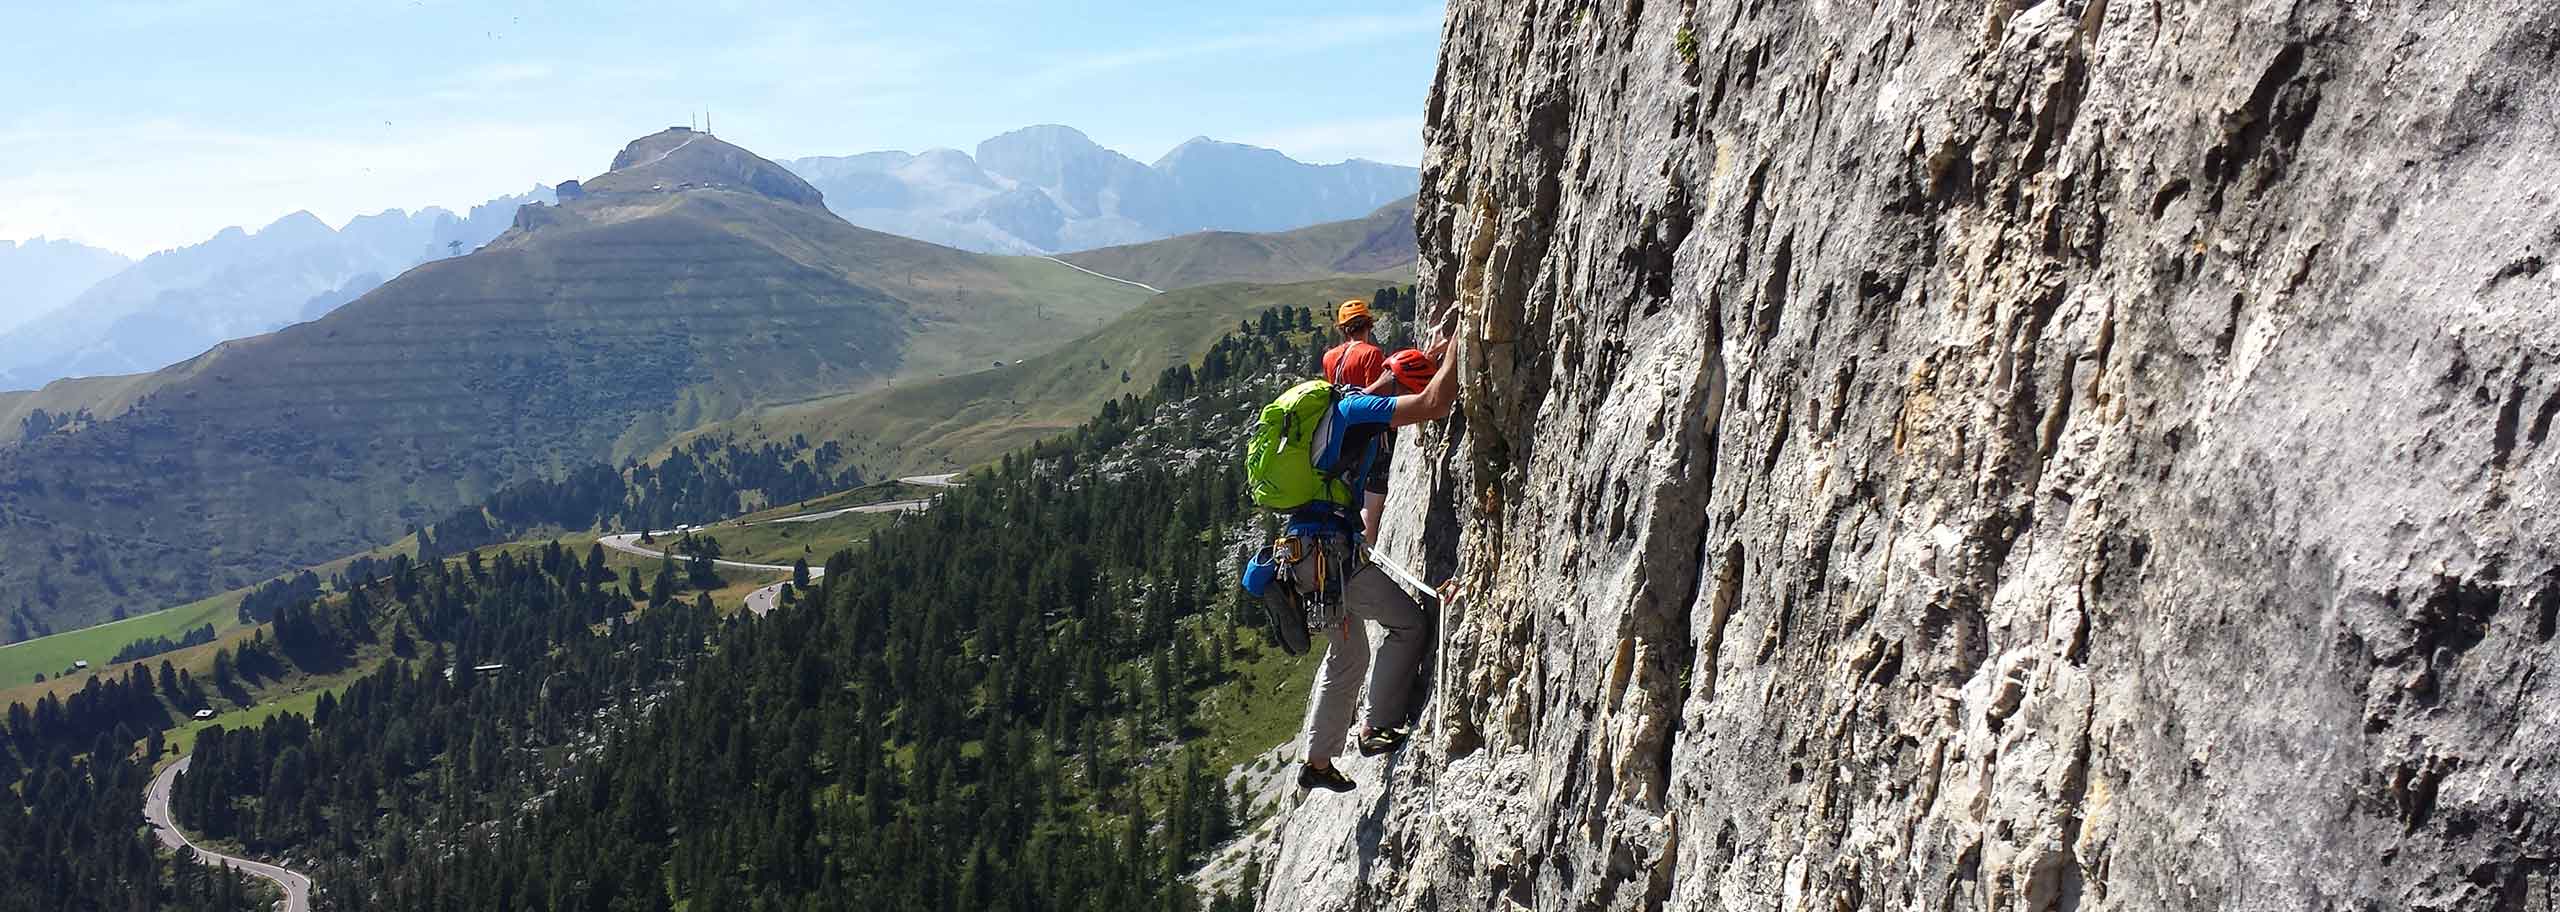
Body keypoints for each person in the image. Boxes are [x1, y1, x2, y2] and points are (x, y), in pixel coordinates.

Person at [1292, 332, 1460, 793]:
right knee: (1408, 625)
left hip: (1306, 555)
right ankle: (1377, 729)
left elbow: (1406, 375)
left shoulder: (1339, 411)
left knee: (1348, 655)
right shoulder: (1358, 410)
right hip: (1332, 557)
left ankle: (1317, 761)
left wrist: (1435, 346)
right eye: (1401, 391)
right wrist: (1462, 347)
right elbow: (1431, 404)